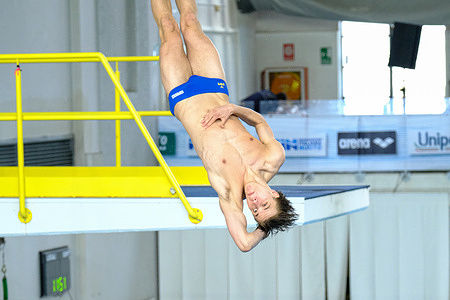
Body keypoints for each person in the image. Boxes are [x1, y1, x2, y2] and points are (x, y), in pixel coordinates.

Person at [151, 0, 298, 252]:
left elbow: (243, 243)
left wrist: (265, 226)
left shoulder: (229, 192)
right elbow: (260, 121)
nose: (254, 202)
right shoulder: (273, 158)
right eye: (264, 204)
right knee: (189, 23)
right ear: (276, 194)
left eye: (254, 210)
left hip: (182, 96)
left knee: (168, 27)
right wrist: (233, 109)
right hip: (214, 86)